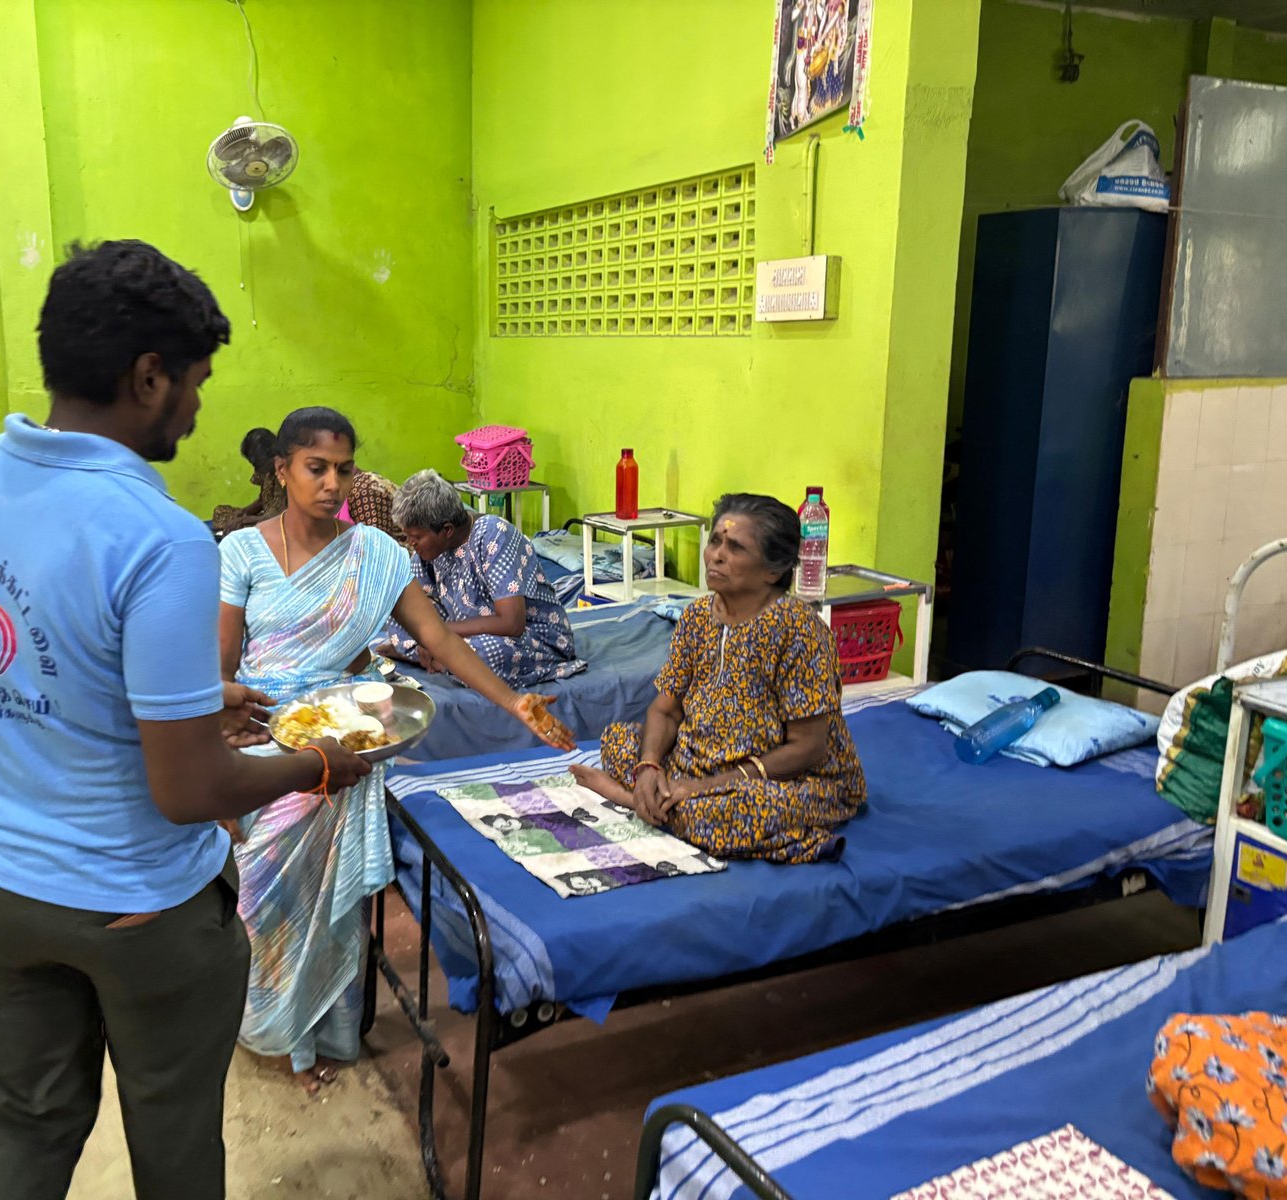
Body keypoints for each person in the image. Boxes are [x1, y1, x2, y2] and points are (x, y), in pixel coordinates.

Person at [0, 240, 369, 1200]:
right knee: (173, 1139)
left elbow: (44, 663)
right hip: (134, 906)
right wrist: (320, 765)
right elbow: (191, 789)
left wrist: (197, 700)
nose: (197, 407)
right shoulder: (158, 536)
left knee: (23, 1131)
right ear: (149, 376)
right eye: (195, 383)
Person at [219, 408, 574, 1094]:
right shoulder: (241, 554)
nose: (332, 483)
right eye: (316, 468)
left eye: (344, 469)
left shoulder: (376, 555)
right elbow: (222, 664)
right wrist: (219, 733)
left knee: (332, 887)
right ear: (283, 471)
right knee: (269, 894)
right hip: (265, 733)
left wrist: (513, 702)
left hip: (343, 733)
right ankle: (275, 1029)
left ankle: (327, 1027)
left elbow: (438, 639)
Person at [571, 493, 866, 863]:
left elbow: (807, 748)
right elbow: (665, 710)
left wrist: (705, 787)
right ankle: (659, 797)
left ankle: (630, 800)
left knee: (725, 814)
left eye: (736, 548)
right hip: (702, 759)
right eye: (715, 541)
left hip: (787, 778)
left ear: (773, 571)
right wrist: (649, 768)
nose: (716, 556)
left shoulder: (798, 630)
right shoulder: (696, 617)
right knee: (619, 741)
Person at [385, 469, 586, 687]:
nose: (411, 543)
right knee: (399, 616)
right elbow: (416, 601)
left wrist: (437, 635)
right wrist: (429, 635)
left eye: (416, 537)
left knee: (482, 653)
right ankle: (440, 657)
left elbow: (511, 624)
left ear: (447, 530)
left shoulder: (494, 534)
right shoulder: (430, 551)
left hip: (531, 637)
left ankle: (438, 658)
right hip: (462, 629)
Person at [210, 426, 285, 537]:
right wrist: (245, 512)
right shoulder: (265, 471)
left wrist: (247, 520)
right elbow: (262, 500)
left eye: (257, 463)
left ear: (268, 456)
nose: (255, 468)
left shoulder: (286, 473)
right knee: (220, 513)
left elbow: (284, 515)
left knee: (242, 527)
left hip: (279, 521)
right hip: (264, 516)